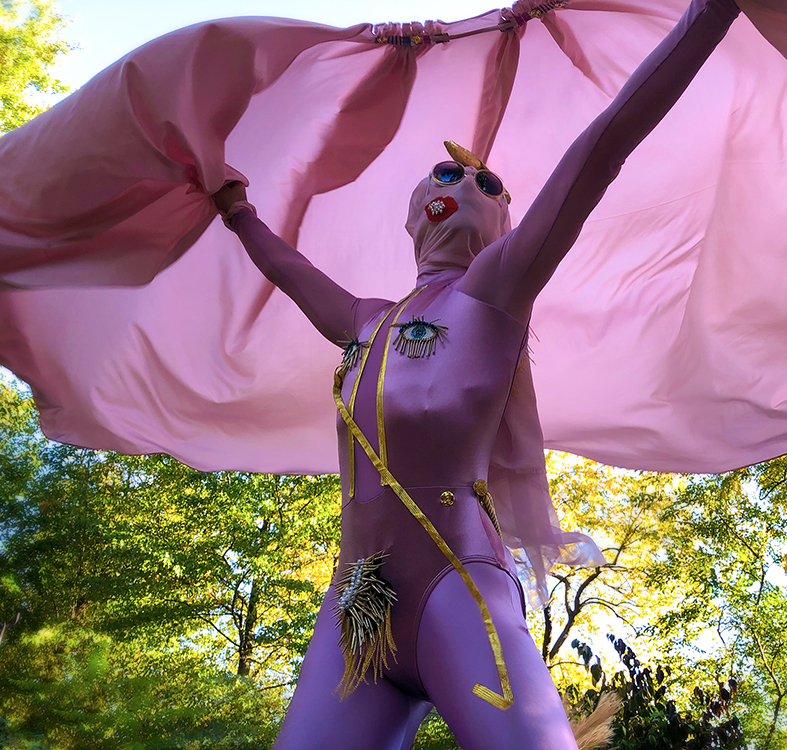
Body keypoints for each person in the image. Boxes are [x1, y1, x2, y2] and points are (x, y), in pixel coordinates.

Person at [212, 1, 741, 747]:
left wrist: (709, 17)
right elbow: (287, 268)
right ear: (413, 214)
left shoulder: (495, 291)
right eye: (446, 173)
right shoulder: (365, 320)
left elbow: (603, 148)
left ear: (504, 227)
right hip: (354, 615)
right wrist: (235, 209)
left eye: (488, 185)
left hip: (457, 590)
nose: (465, 183)